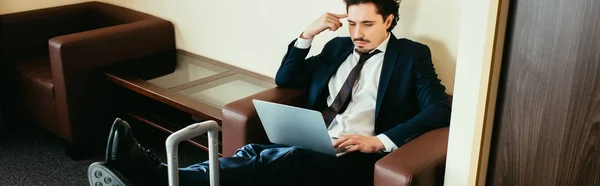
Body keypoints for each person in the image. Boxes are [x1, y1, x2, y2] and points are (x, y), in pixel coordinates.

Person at [88, 0, 451, 185]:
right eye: (352, 22)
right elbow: (285, 79)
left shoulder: (412, 56)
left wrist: (381, 141)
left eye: (367, 24)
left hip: (354, 158)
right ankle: (161, 176)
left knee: (274, 158)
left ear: (389, 21)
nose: (357, 31)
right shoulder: (338, 48)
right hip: (313, 140)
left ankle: (159, 175)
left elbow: (439, 108)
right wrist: (306, 36)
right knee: (256, 153)